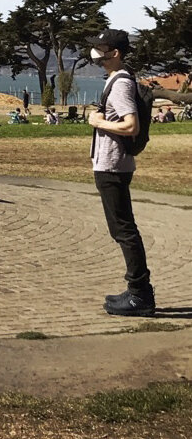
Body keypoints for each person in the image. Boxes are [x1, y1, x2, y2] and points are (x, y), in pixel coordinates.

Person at [87, 29, 154, 316]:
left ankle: (140, 295)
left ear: (114, 53)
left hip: (113, 165)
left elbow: (131, 126)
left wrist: (97, 122)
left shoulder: (121, 84)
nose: (96, 55)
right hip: (111, 164)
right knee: (121, 229)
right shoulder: (115, 80)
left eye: (100, 50)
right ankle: (136, 290)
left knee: (124, 230)